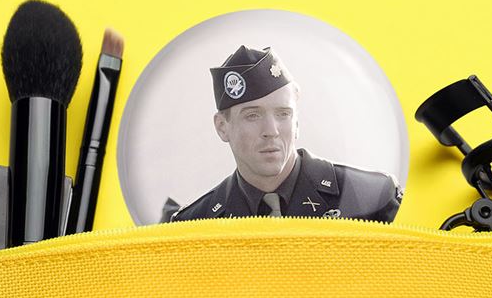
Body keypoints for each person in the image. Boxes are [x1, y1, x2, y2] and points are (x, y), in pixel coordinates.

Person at [171, 45, 402, 222]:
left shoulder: (373, 197)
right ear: (222, 127)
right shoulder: (195, 224)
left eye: (283, 114)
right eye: (253, 116)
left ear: (297, 121)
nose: (271, 131)